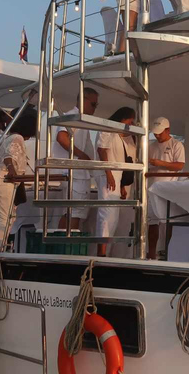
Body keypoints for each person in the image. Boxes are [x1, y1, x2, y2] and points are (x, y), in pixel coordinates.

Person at [51, 89, 99, 231]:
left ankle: (66, 247)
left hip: (77, 174)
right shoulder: (72, 116)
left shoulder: (81, 121)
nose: (95, 108)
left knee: (73, 213)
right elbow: (62, 138)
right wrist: (81, 155)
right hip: (74, 175)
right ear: (84, 100)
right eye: (93, 104)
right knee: (73, 214)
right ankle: (66, 248)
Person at [0, 110, 36, 251]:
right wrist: (13, 173)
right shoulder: (17, 138)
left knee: (8, 216)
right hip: (5, 179)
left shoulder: (10, 137)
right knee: (6, 217)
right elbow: (8, 157)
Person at [95, 107, 137, 257]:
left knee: (113, 216)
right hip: (108, 176)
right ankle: (101, 252)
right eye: (130, 121)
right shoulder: (107, 128)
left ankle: (106, 252)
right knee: (106, 213)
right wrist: (109, 174)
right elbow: (102, 150)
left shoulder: (118, 135)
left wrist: (121, 186)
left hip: (116, 178)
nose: (130, 124)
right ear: (124, 118)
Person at [147, 117, 185, 259]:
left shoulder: (177, 145)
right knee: (153, 222)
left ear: (168, 130)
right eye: (155, 133)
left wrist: (160, 163)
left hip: (168, 189)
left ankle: (170, 253)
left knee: (169, 222)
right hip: (152, 188)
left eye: (160, 133)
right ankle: (151, 254)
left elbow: (179, 165)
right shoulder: (150, 146)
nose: (157, 135)